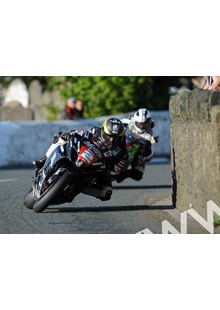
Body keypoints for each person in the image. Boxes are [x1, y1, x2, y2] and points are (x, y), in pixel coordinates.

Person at [33, 118, 128, 201]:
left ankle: (77, 190)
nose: (111, 140)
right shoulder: (95, 131)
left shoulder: (122, 152)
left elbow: (116, 172)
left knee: (106, 192)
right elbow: (79, 133)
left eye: (115, 138)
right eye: (109, 136)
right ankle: (44, 160)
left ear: (121, 137)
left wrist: (108, 172)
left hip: (99, 169)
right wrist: (69, 135)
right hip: (83, 154)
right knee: (61, 137)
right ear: (103, 131)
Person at [116, 108, 159, 183]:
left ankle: (124, 174)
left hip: (138, 152)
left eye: (144, 124)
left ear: (149, 122)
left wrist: (145, 157)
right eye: (139, 123)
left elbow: (152, 151)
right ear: (135, 120)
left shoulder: (154, 133)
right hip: (124, 143)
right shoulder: (128, 121)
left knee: (138, 175)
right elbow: (114, 124)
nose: (141, 126)